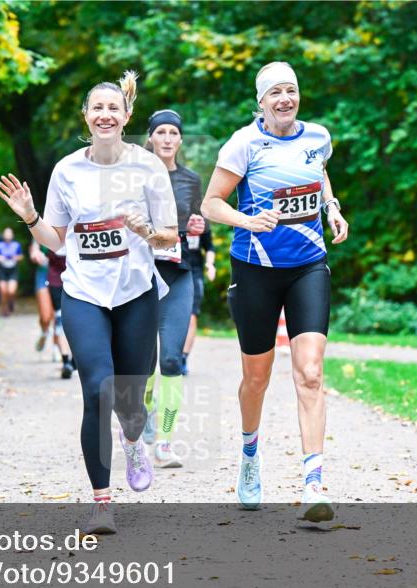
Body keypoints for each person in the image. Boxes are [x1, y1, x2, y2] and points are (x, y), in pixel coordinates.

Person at [0, 71, 179, 534]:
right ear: (86, 116)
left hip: (136, 292)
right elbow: (55, 242)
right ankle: (101, 503)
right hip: (84, 293)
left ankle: (134, 439)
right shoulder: (67, 170)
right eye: (97, 108)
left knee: (131, 400)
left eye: (113, 108)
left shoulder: (148, 167)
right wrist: (31, 217)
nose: (105, 114)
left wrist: (145, 232)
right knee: (97, 389)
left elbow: (170, 238)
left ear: (126, 115)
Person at [201, 61, 350, 520]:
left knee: (309, 372)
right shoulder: (244, 143)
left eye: (291, 90)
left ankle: (313, 481)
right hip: (255, 270)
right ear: (261, 101)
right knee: (257, 377)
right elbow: (210, 204)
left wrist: (332, 207)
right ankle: (250, 454)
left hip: (307, 266)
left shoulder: (317, 137)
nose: (285, 99)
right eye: (275, 93)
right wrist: (247, 220)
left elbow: (320, 173)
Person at [139, 109, 205, 468]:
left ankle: (164, 441)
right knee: (146, 360)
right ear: (151, 138)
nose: (167, 138)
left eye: (173, 133)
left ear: (180, 139)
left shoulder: (191, 180)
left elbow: (198, 226)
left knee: (171, 359)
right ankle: (145, 410)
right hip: (143, 278)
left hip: (179, 274)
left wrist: (198, 226)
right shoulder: (133, 176)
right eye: (160, 132)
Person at [182, 197, 216, 375]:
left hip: (194, 271)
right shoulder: (173, 217)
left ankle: (183, 358)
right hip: (174, 269)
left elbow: (209, 247)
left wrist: (210, 265)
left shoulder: (202, 222)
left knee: (192, 316)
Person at [45, 244, 76, 379]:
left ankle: (71, 362)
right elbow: (37, 249)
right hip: (56, 282)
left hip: (77, 282)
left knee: (77, 324)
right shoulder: (48, 227)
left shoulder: (78, 226)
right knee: (60, 320)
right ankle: (67, 362)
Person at [0, 227, 22, 317]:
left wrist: (16, 257)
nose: (8, 235)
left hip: (13, 269)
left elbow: (21, 256)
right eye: (6, 233)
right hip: (2, 269)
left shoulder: (16, 245)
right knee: (3, 291)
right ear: (3, 235)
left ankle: (11, 302)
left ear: (12, 235)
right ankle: (4, 310)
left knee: (11, 291)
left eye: (9, 233)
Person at [29, 240, 55, 351]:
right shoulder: (42, 223)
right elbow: (34, 248)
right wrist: (35, 254)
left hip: (63, 274)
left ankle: (58, 347)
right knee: (45, 317)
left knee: (59, 315)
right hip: (44, 274)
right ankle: (44, 332)